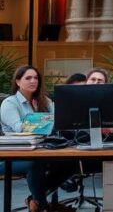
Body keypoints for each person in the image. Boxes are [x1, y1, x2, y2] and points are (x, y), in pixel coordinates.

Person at [1, 66, 71, 212]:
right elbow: (20, 128)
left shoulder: (44, 101)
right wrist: (46, 121)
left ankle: (36, 200)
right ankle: (42, 206)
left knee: (69, 162)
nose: (33, 81)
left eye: (36, 78)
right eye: (28, 78)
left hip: (42, 150)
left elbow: (62, 119)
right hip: (13, 156)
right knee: (35, 164)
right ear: (18, 81)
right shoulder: (9, 103)